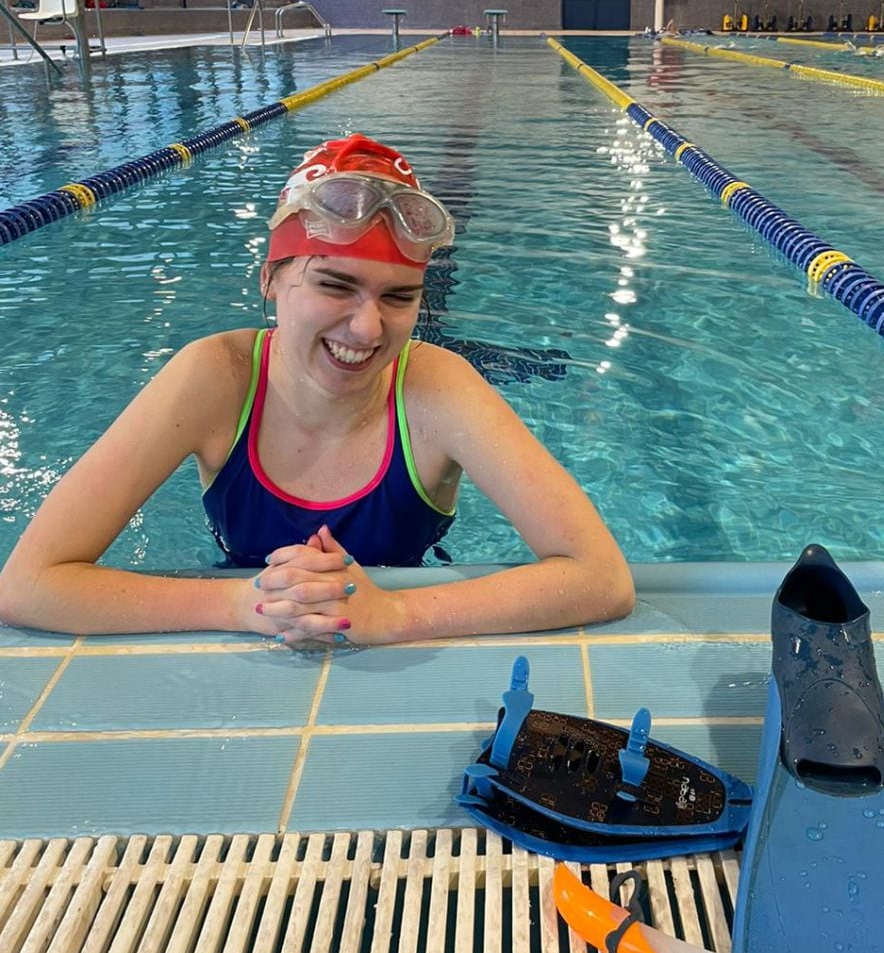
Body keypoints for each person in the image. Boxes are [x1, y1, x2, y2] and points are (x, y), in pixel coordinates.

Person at [0, 135, 635, 647]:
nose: (367, 327)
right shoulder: (214, 378)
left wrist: (395, 617)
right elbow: (29, 585)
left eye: (399, 296)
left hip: (402, 616)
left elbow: (601, 578)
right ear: (271, 280)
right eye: (335, 285)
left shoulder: (438, 387)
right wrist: (244, 603)